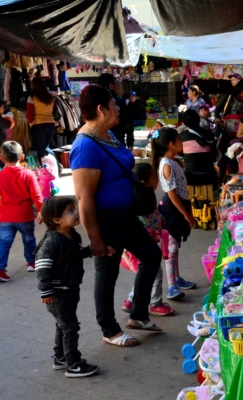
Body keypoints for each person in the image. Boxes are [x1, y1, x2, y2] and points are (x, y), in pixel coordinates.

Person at [70, 84, 163, 348]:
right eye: (113, 104)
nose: (118, 108)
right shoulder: (85, 146)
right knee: (107, 274)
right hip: (106, 219)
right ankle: (109, 329)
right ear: (101, 110)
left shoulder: (107, 134)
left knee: (152, 255)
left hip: (126, 215)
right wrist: (95, 238)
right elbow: (84, 198)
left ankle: (138, 315)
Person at [35, 197, 99, 378]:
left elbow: (75, 255)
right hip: (58, 293)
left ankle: (60, 358)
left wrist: (92, 250)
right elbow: (42, 266)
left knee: (63, 325)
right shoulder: (52, 241)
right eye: (71, 211)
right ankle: (73, 364)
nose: (77, 213)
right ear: (56, 220)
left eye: (75, 209)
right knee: (70, 326)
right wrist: (46, 291)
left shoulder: (72, 235)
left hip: (70, 289)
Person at [121, 163, 175, 316]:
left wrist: (161, 218)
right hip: (144, 245)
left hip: (148, 242)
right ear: (143, 182)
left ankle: (131, 300)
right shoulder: (138, 200)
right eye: (154, 177)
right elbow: (147, 217)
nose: (158, 179)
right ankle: (155, 303)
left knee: (144, 273)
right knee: (155, 274)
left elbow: (153, 212)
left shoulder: (146, 193)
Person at [151, 127, 197, 300]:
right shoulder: (167, 165)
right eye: (179, 140)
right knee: (171, 249)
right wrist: (186, 215)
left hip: (176, 206)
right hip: (172, 209)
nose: (182, 143)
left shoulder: (171, 161)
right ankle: (172, 287)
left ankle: (176, 279)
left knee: (175, 246)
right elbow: (172, 193)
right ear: (171, 144)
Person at [0, 141, 43, 281]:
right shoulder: (28, 174)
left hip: (5, 217)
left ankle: (0, 268)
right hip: (25, 216)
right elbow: (36, 194)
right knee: (29, 239)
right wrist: (41, 210)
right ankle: (31, 262)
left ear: (2, 159)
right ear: (22, 157)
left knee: (4, 242)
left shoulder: (1, 176)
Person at [180, 109, 218, 189]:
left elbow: (181, 153)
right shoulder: (210, 135)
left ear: (184, 122)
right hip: (209, 176)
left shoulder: (182, 136)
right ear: (198, 119)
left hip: (191, 177)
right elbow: (214, 156)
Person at [98, 73, 134, 150]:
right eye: (114, 106)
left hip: (99, 143)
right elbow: (127, 123)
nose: (117, 109)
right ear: (111, 85)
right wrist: (130, 143)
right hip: (118, 141)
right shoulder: (119, 101)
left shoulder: (93, 101)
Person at [26, 78, 56, 164]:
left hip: (38, 125)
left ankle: (47, 168)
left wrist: (30, 123)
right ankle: (55, 163)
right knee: (46, 147)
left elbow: (29, 114)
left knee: (41, 149)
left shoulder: (32, 98)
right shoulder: (50, 97)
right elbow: (55, 110)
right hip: (51, 124)